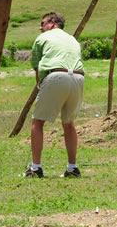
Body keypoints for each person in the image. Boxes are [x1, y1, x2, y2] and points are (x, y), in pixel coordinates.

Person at [25, 12, 85, 178]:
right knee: (69, 123)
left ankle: (36, 168)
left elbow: (37, 68)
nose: (40, 27)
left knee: (37, 122)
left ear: (52, 23)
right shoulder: (72, 39)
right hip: (79, 78)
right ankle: (72, 167)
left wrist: (40, 85)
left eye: (42, 23)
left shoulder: (42, 38)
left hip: (56, 75)